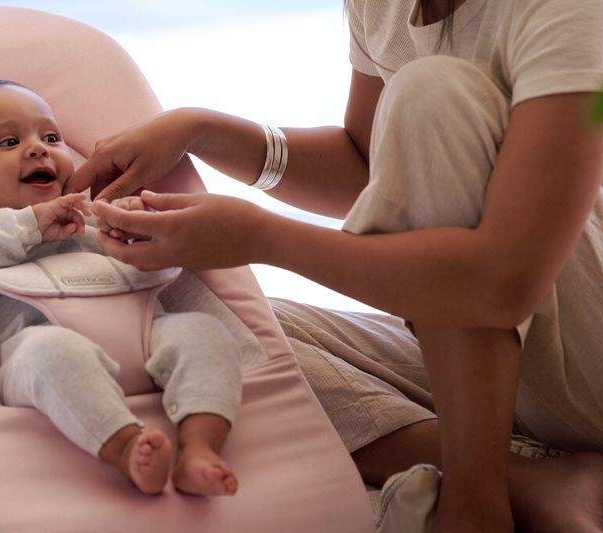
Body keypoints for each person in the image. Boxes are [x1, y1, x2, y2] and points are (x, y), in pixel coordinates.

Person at [67, 1, 603, 531]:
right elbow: (365, 163)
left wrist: (261, 237)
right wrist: (200, 130)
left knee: (432, 92)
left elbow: (503, 285)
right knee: (223, 332)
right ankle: (529, 477)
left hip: (567, 340)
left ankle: (475, 502)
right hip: (518, 358)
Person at [0, 80, 242, 497]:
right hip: (44, 352)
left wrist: (135, 225)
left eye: (51, 138)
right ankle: (126, 446)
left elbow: (157, 260)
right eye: (9, 142)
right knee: (46, 355)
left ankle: (199, 448)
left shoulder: (90, 219)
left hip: (145, 336)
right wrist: (29, 224)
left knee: (204, 332)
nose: (38, 149)